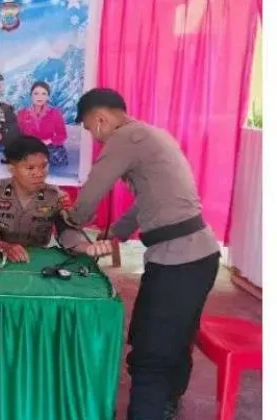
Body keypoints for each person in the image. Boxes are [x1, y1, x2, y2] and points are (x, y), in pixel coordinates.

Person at [65, 88, 221, 420]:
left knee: (151, 350)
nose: (95, 137)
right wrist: (118, 231)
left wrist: (71, 221)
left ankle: (149, 411)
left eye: (91, 129)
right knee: (176, 338)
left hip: (178, 258)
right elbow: (149, 198)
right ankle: (167, 404)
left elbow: (95, 187)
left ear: (100, 119)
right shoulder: (152, 135)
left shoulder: (124, 138)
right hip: (200, 255)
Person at [0, 136, 112, 262]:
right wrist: (4, 246)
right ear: (12, 169)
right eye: (30, 168)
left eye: (44, 166)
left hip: (37, 260)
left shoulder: (56, 196)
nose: (39, 173)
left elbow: (67, 232)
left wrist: (86, 247)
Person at [16, 81, 69, 166]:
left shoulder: (54, 113)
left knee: (56, 158)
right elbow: (17, 134)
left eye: (44, 94)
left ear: (48, 96)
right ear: (31, 95)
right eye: (36, 93)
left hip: (48, 146)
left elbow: (62, 135)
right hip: (29, 147)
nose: (40, 97)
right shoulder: (22, 113)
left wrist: (49, 141)